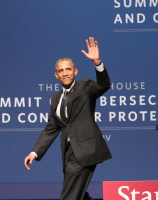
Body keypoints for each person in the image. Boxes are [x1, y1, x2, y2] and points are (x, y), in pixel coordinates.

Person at [24, 37, 112, 200]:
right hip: (68, 154)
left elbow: (103, 86)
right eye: (61, 71)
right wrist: (34, 152)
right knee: (78, 194)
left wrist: (97, 62)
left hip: (85, 151)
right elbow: (50, 129)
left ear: (75, 71)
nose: (65, 73)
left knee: (69, 196)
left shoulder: (85, 87)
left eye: (68, 69)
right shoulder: (55, 99)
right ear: (56, 75)